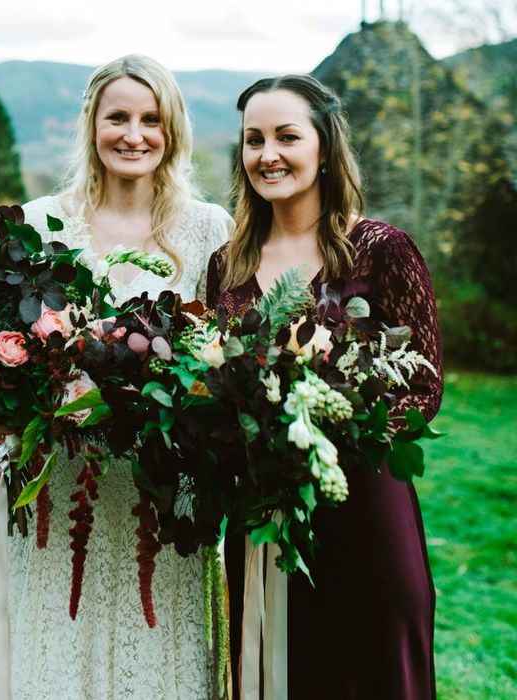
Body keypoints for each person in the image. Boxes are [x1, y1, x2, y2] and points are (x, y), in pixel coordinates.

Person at [0, 54, 233, 699]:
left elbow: (225, 362)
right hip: (58, 484)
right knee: (57, 646)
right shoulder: (40, 223)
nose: (133, 134)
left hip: (162, 488)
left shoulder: (209, 230)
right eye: (118, 117)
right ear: (93, 123)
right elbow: (0, 350)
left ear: (170, 132)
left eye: (151, 119)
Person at [206, 75, 443, 699]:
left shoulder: (382, 250)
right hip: (263, 514)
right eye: (253, 139)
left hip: (363, 504)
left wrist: (322, 433)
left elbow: (424, 387)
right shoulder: (226, 265)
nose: (268, 154)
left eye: (287, 136)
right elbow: (212, 379)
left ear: (324, 145)